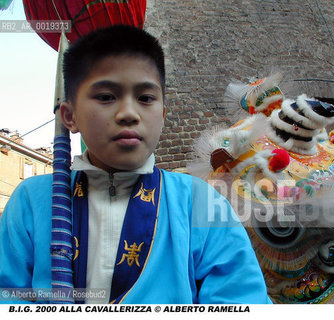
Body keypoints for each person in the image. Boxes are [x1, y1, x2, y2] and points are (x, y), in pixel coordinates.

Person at [0, 25, 270, 304]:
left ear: (163, 114)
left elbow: (241, 300)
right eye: (105, 97)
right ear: (70, 116)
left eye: (145, 98)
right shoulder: (32, 201)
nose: (129, 113)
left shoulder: (198, 202)